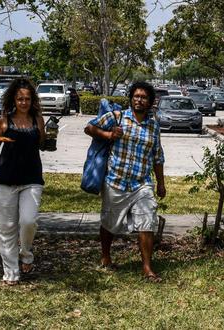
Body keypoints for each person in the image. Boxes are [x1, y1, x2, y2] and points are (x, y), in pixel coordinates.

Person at [84, 81, 166, 282]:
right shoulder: (117, 116)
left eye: (144, 97)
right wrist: (108, 134)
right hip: (116, 181)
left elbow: (157, 156)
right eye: (136, 96)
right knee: (110, 223)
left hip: (142, 183)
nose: (139, 100)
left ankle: (147, 267)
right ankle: (106, 256)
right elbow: (89, 128)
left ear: (150, 102)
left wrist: (161, 183)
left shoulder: (153, 126)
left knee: (147, 221)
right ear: (131, 98)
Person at [0, 77, 46, 285]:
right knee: (7, 226)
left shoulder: (38, 120)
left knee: (28, 221)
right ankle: (10, 271)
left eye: (27, 99)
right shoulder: (4, 121)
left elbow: (42, 143)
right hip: (6, 178)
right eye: (20, 99)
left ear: (32, 100)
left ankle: (26, 253)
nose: (23, 102)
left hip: (32, 178)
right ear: (13, 99)